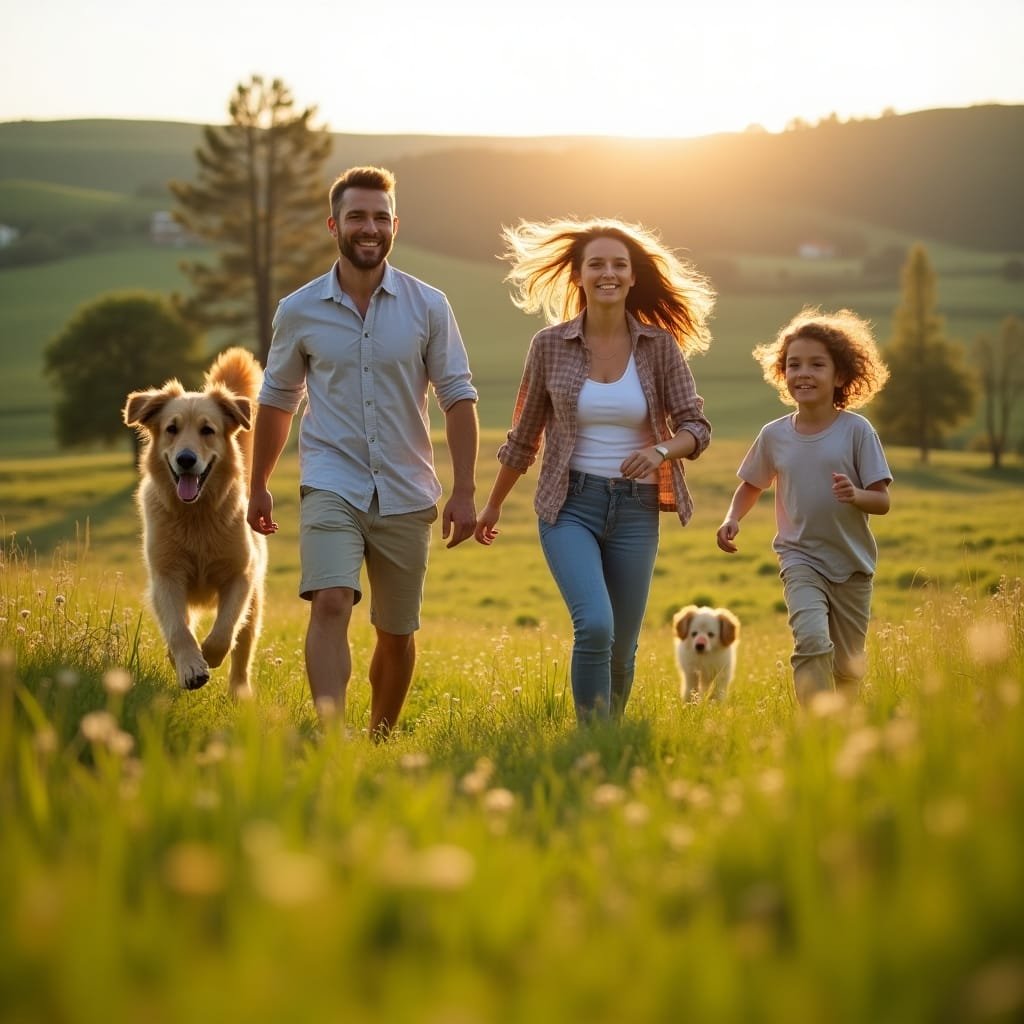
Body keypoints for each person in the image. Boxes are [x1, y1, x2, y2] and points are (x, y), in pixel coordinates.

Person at [247, 166, 479, 738]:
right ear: (335, 225)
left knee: (396, 633)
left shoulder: (429, 306)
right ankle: (330, 738)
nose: (369, 227)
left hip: (405, 488)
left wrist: (466, 490)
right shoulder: (298, 310)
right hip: (332, 480)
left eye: (380, 217)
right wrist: (258, 484)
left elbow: (457, 396)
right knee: (329, 601)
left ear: (394, 225)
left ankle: (378, 736)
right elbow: (277, 399)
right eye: (357, 216)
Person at [475, 217, 715, 723]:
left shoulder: (659, 346)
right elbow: (524, 435)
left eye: (619, 265)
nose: (608, 273)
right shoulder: (549, 345)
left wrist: (662, 451)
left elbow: (697, 427)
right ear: (579, 276)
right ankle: (588, 738)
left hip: (636, 508)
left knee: (623, 647)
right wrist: (492, 505)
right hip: (569, 506)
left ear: (632, 278)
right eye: (597, 264)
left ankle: (609, 740)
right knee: (596, 625)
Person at [715, 307, 892, 707]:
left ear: (841, 375)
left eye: (816, 364)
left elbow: (881, 500)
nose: (803, 373)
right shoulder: (774, 435)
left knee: (848, 667)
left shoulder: (857, 431)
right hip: (800, 558)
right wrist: (731, 518)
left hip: (851, 563)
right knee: (811, 640)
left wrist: (856, 495)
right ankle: (814, 726)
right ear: (783, 373)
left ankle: (843, 729)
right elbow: (751, 484)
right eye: (793, 364)